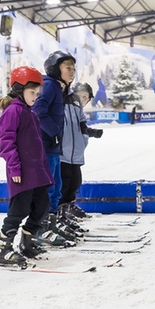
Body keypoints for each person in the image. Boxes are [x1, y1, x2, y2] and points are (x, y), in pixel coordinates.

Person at [0, 66, 64, 268]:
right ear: (19, 89)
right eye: (32, 92)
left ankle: (27, 242)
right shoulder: (13, 112)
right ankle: (3, 249)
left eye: (38, 93)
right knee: (18, 210)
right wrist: (14, 168)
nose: (36, 97)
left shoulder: (29, 113)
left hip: (36, 172)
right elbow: (6, 143)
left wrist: (45, 171)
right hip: (21, 172)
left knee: (41, 206)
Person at [33, 50, 80, 241]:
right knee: (49, 188)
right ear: (55, 69)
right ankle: (40, 228)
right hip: (45, 146)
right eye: (67, 67)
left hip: (53, 146)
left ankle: (51, 223)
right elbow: (38, 110)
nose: (72, 71)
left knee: (57, 186)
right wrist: (53, 133)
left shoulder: (59, 88)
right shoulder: (49, 86)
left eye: (73, 68)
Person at [59, 82, 102, 220]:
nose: (83, 99)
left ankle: (68, 209)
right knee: (63, 186)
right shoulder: (63, 104)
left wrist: (88, 134)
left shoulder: (77, 109)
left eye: (86, 97)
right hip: (62, 154)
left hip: (75, 154)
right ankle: (60, 214)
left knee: (75, 183)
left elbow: (79, 127)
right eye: (81, 96)